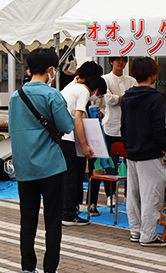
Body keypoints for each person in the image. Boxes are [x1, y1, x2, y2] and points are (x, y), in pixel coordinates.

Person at [10, 47, 75, 273]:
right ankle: (50, 268)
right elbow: (67, 126)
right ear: (50, 70)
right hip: (51, 167)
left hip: (24, 167)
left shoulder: (15, 97)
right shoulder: (52, 94)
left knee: (27, 221)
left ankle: (28, 268)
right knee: (52, 221)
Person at [121, 57, 166, 246]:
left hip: (132, 152)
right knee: (152, 195)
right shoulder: (154, 97)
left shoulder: (127, 96)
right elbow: (158, 128)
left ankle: (135, 231)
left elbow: (123, 126)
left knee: (133, 194)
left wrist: (127, 146)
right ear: (153, 74)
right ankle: (149, 236)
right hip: (150, 153)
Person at [60, 62, 106, 226]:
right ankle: (68, 214)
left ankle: (65, 211)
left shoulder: (72, 88)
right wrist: (85, 145)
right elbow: (77, 121)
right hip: (67, 138)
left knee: (66, 176)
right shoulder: (83, 91)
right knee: (71, 176)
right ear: (96, 90)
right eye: (98, 95)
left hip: (60, 136)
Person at [96, 56, 138, 212]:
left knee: (131, 163)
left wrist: (119, 97)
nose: (121, 63)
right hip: (111, 126)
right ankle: (110, 195)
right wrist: (125, 97)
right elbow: (109, 100)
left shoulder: (131, 80)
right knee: (110, 162)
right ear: (111, 62)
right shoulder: (105, 79)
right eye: (118, 60)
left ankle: (129, 195)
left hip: (129, 126)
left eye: (123, 60)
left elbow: (133, 100)